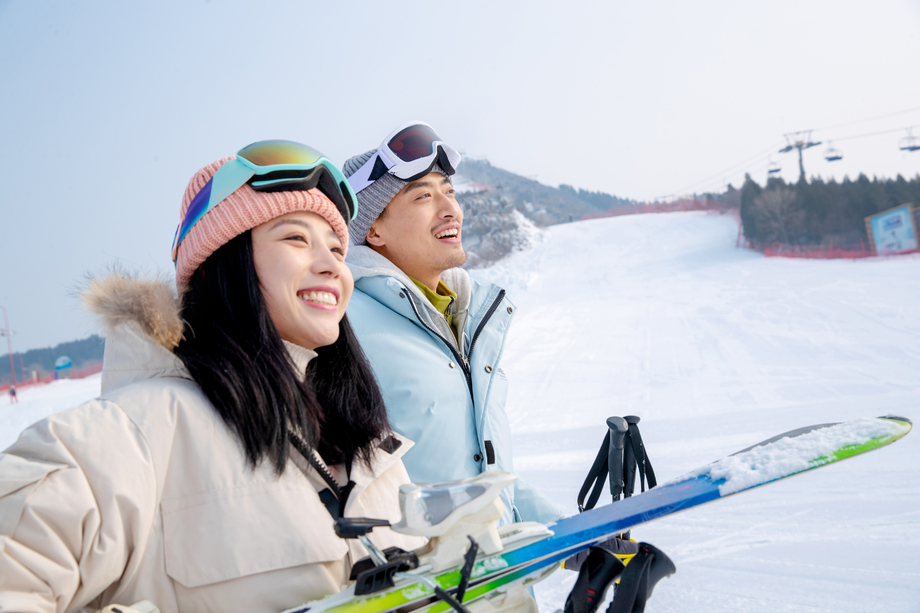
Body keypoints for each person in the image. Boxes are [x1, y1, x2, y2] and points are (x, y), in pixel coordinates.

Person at [0, 141, 425, 613]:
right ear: (225, 263)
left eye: (335, 247)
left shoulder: (371, 447)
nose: (332, 266)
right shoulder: (131, 434)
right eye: (296, 239)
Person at [341, 122, 562, 527]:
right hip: (425, 583)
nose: (449, 209)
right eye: (423, 195)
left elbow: (487, 479)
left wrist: (574, 540)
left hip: (491, 579)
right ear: (373, 229)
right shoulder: (343, 324)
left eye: (449, 191)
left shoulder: (463, 318)